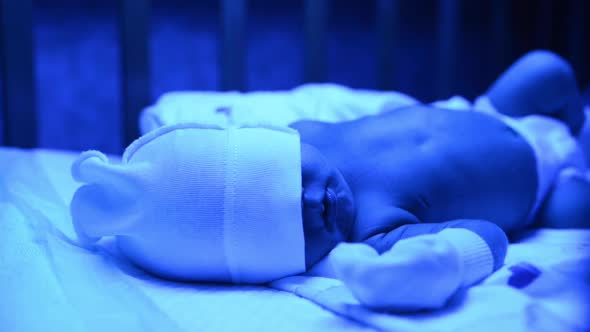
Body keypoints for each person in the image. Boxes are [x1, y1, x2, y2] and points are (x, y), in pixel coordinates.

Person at [69, 50, 590, 312]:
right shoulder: (371, 233)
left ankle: (579, 119)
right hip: (545, 193)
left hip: (496, 112)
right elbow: (490, 235)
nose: (315, 202)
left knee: (544, 68)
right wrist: (446, 260)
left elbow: (214, 136)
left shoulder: (303, 128)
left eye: (294, 176)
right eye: (292, 225)